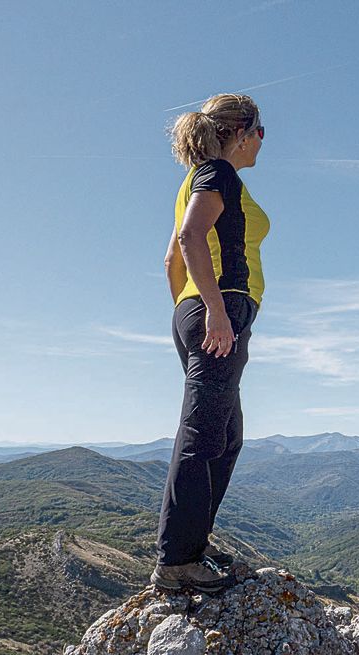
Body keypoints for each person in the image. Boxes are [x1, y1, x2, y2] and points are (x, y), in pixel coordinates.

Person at [152, 93, 269, 592]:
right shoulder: (218, 173)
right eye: (262, 130)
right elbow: (189, 238)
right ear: (242, 130)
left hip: (197, 311)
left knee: (226, 435)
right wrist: (215, 311)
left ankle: (192, 543)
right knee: (203, 434)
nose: (264, 141)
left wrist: (188, 309)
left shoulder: (196, 179)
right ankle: (177, 562)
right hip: (217, 310)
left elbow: (170, 261)